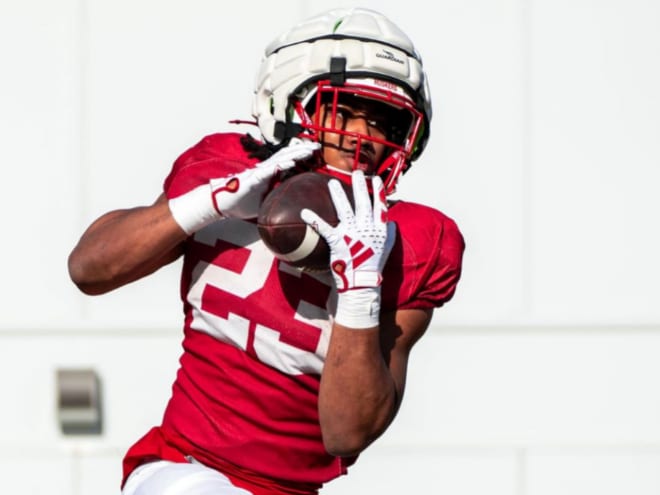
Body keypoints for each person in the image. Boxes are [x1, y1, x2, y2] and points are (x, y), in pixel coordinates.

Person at [68, 7, 465, 495]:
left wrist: (360, 289)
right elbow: (90, 269)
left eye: (383, 122)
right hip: (181, 465)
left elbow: (347, 433)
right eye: (343, 111)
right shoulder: (225, 166)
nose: (363, 138)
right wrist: (205, 204)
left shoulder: (417, 239)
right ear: (290, 99)